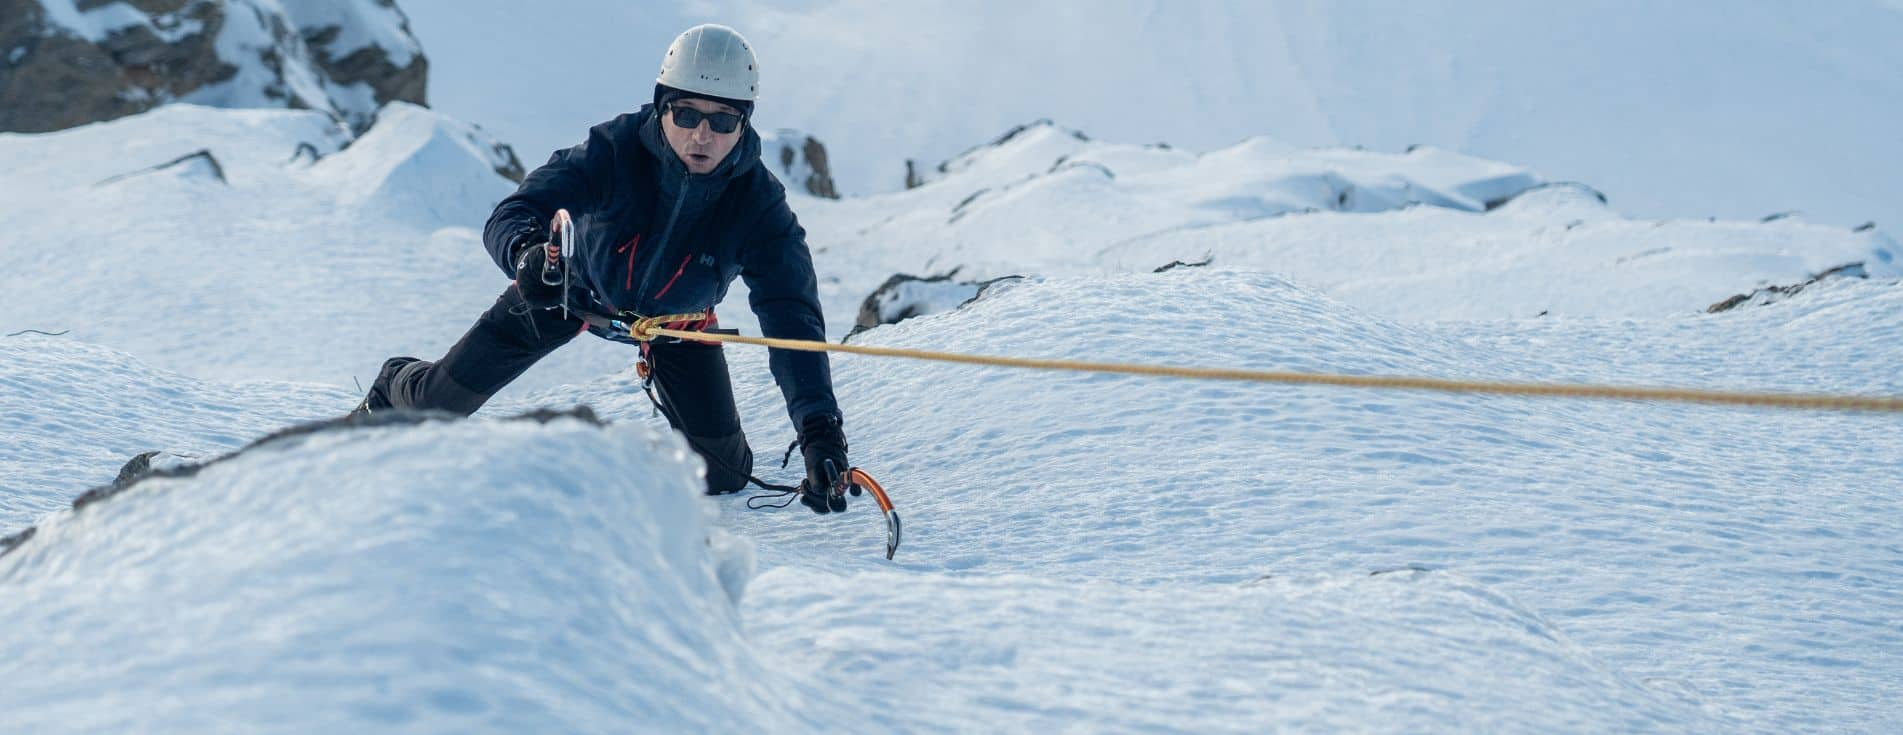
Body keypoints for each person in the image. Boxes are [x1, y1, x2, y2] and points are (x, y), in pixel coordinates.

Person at [353, 24, 851, 514]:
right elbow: (514, 212)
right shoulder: (614, 151)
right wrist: (528, 258)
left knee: (721, 477)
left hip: (678, 326)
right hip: (564, 294)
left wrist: (819, 434)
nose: (702, 134)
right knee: (433, 410)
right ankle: (395, 379)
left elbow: (793, 322)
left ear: (744, 123)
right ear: (662, 106)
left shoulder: (760, 206)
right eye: (686, 113)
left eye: (722, 121)